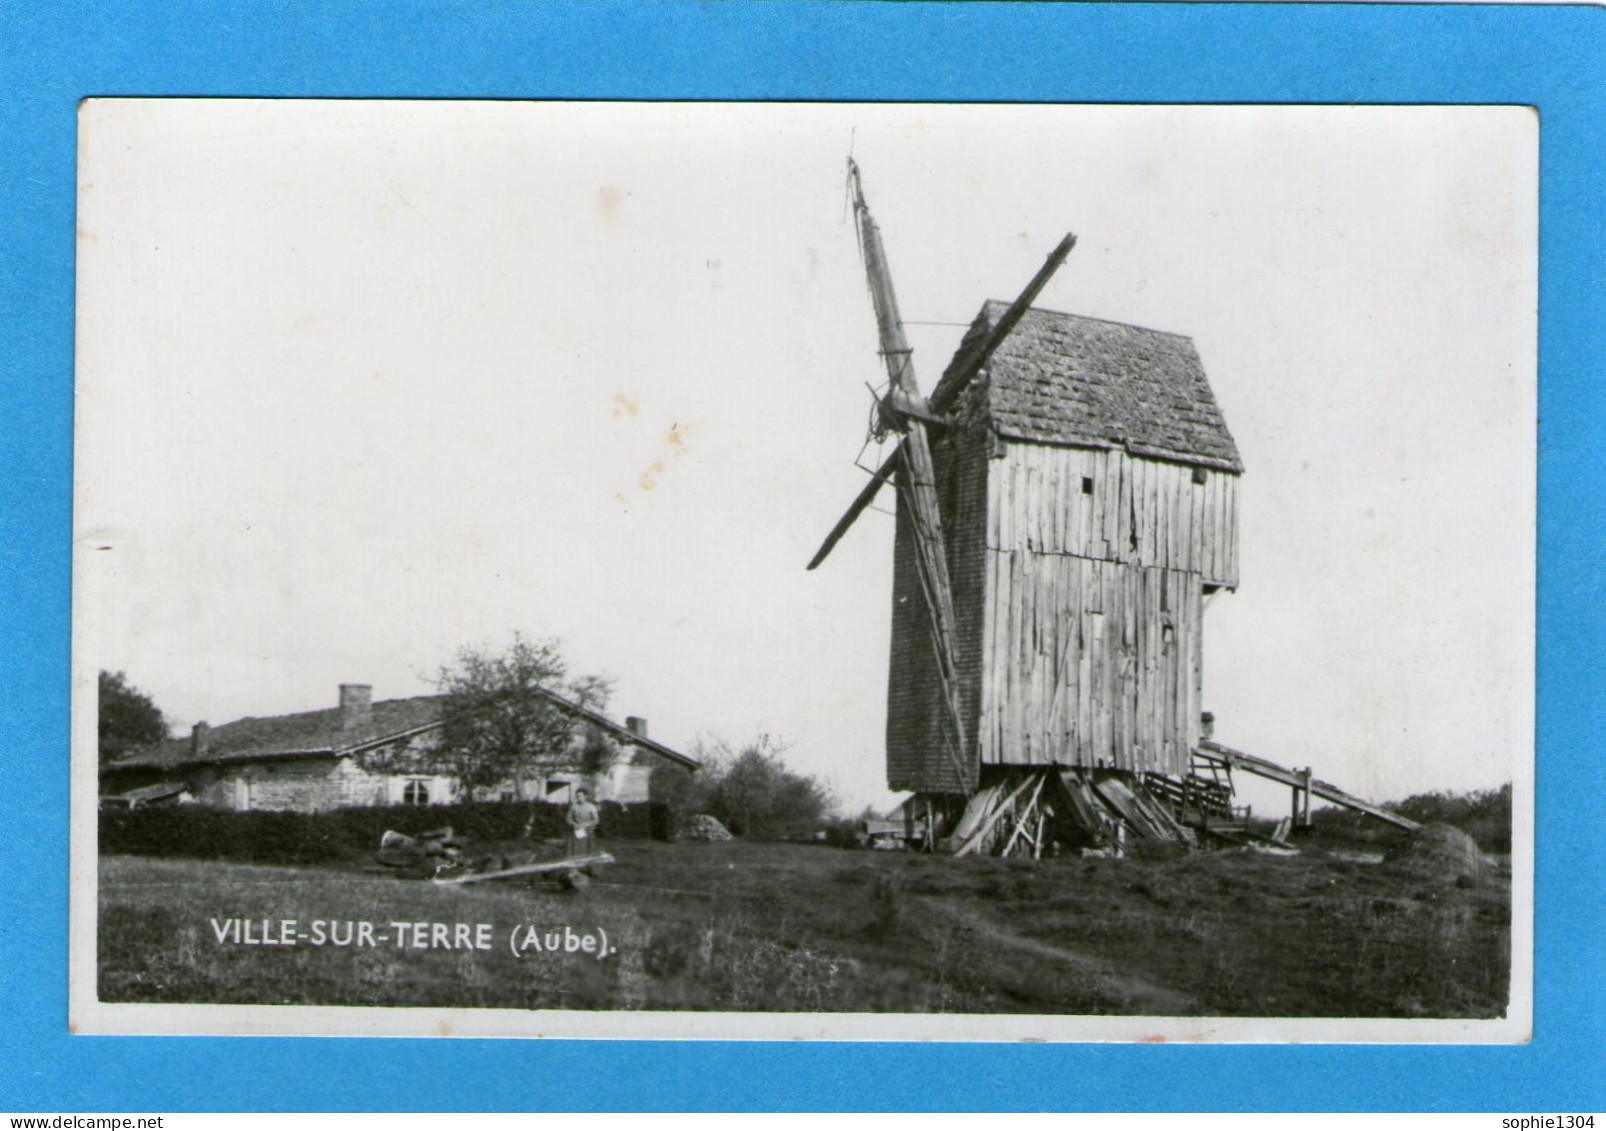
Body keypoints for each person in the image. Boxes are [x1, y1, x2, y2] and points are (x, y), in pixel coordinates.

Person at [566, 787, 600, 858]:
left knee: (588, 850)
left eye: (580, 796)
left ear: (585, 796)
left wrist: (587, 825)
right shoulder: (574, 806)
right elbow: (568, 818)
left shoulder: (591, 806)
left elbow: (596, 820)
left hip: (588, 831)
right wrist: (573, 824)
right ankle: (576, 866)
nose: (579, 798)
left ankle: (588, 866)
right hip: (576, 830)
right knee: (576, 850)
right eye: (577, 797)